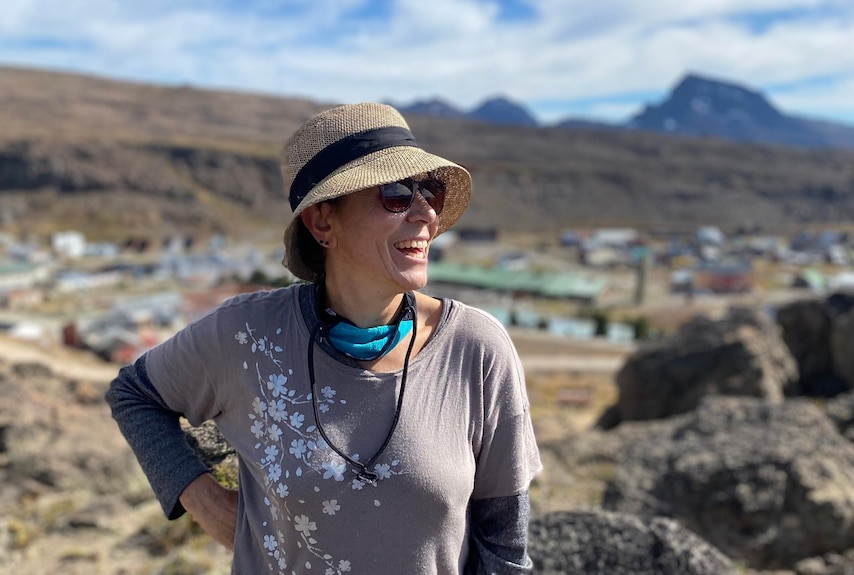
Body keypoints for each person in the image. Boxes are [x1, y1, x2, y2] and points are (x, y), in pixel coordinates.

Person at [106, 102, 543, 574]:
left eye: (430, 191)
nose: (425, 215)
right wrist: (204, 501)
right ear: (322, 223)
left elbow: (504, 548)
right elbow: (134, 394)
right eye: (396, 193)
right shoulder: (247, 336)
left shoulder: (476, 349)